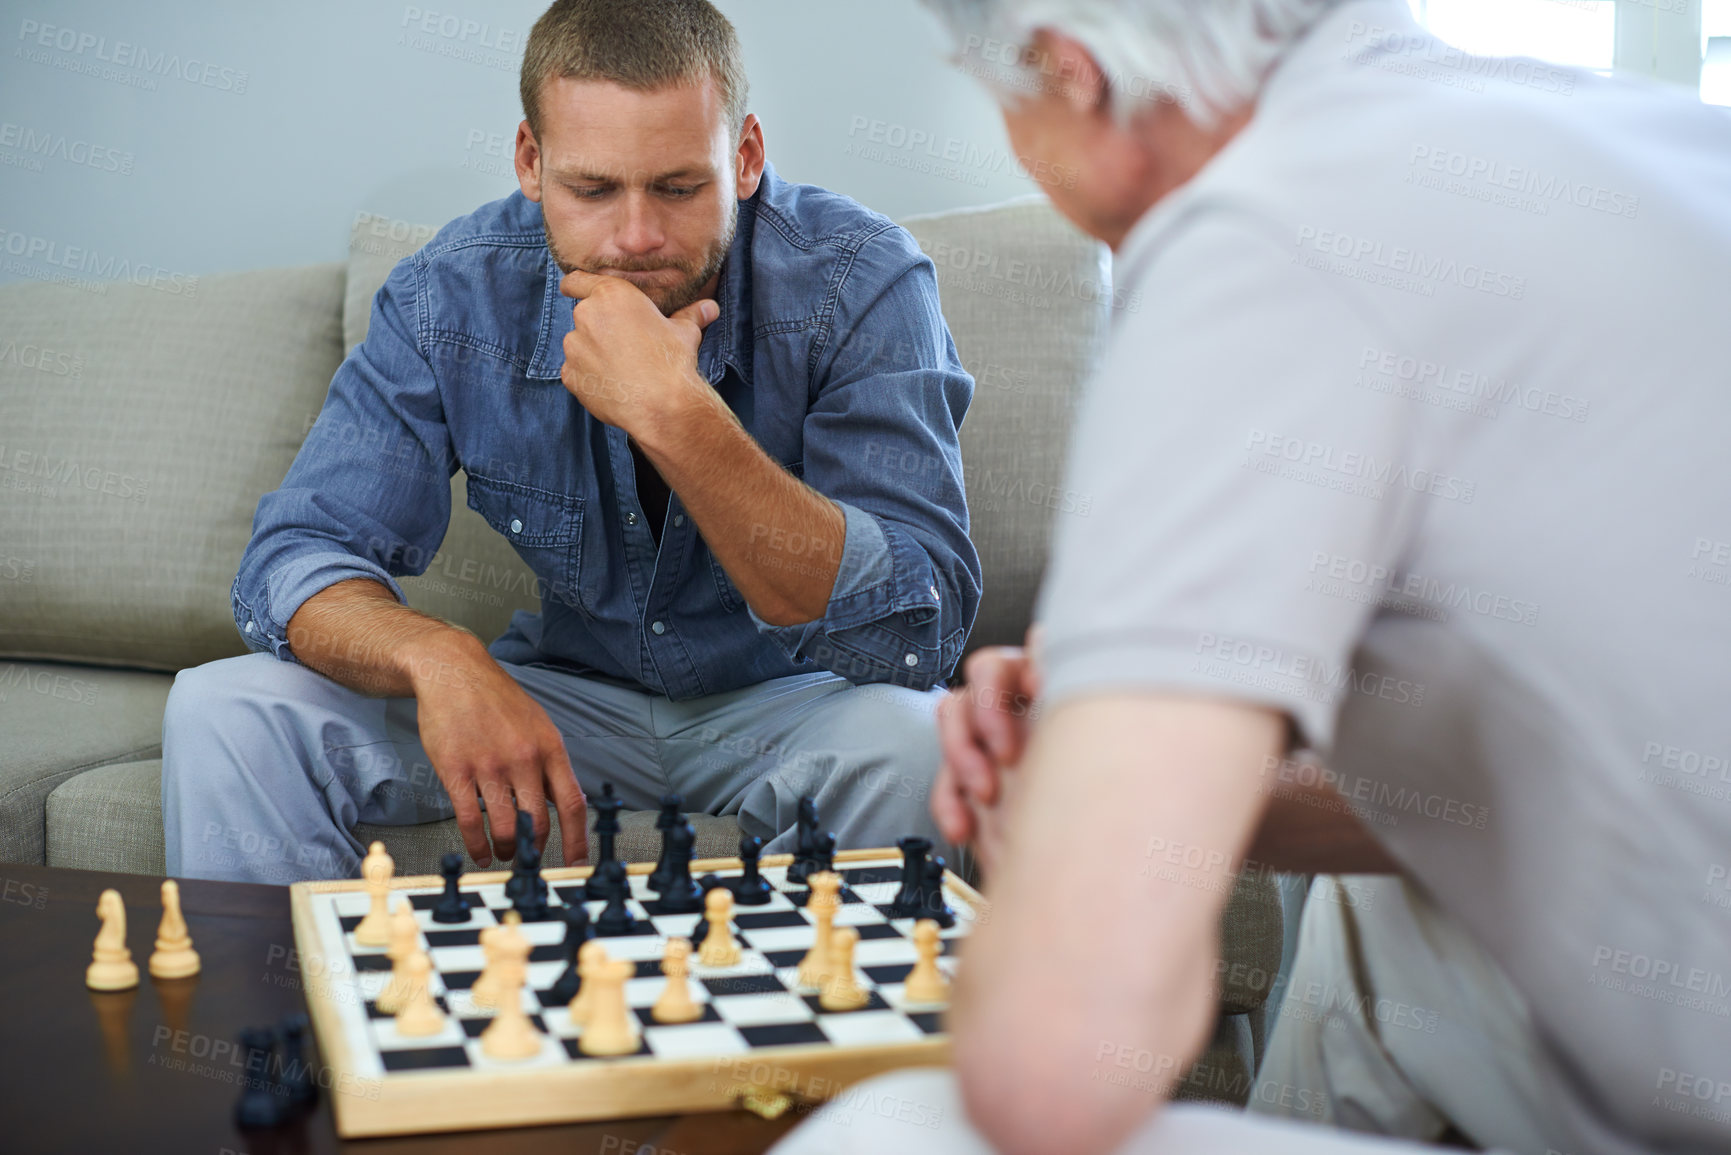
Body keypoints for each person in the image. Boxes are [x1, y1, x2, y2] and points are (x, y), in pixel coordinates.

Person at [772, 1, 1731, 1153]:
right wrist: (1176, 767)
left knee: (889, 1136)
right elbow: (1528, 792)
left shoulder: (1264, 237)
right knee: (1387, 926)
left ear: (1068, 76)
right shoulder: (1645, 138)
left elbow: (1058, 1077)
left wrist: (1072, 839)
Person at [161, 0, 980, 885]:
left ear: (743, 158)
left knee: (920, 744)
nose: (635, 238)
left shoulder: (861, 279)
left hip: (797, 704)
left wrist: (678, 415)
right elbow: (295, 557)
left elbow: (917, 625)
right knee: (225, 707)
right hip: (566, 698)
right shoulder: (453, 294)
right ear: (530, 161)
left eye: (676, 187)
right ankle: (282, 1023)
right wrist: (438, 656)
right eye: (592, 190)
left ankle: (836, 1023)